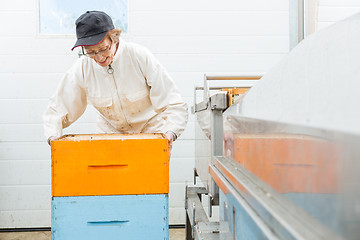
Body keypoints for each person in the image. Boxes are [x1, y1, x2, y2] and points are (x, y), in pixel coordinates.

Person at [43, 11, 188, 154]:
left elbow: (173, 103)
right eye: (91, 52)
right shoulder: (83, 67)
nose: (99, 57)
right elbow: (58, 108)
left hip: (150, 132)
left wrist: (170, 134)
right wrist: (53, 136)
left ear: (114, 38)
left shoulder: (139, 56)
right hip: (110, 135)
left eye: (103, 49)